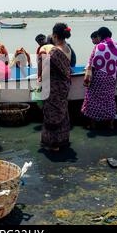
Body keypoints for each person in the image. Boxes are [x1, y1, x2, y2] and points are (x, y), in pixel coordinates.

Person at [81, 27, 117, 129]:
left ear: (100, 36)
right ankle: (110, 124)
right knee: (109, 99)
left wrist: (87, 76)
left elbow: (91, 62)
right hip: (112, 77)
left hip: (98, 76)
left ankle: (92, 124)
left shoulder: (99, 46)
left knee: (92, 98)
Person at [41, 23, 72, 152]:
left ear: (54, 35)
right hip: (64, 86)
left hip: (54, 88)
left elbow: (45, 71)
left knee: (52, 114)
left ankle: (53, 144)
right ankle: (63, 140)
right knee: (63, 112)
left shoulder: (54, 51)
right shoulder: (68, 48)